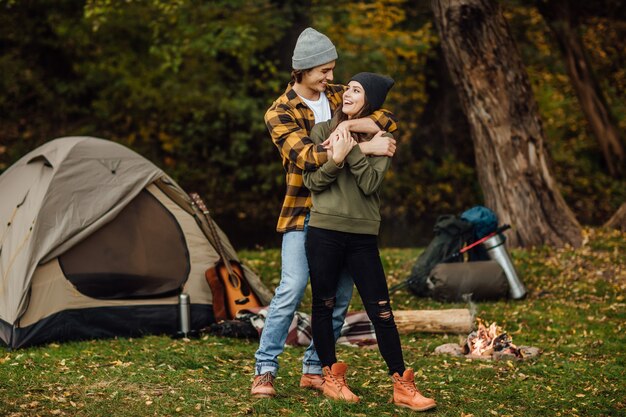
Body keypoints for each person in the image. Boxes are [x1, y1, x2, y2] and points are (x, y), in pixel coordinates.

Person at [251, 28, 398, 398]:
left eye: (333, 70)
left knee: (338, 299)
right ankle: (265, 369)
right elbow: (307, 158)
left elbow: (388, 120)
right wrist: (361, 149)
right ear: (303, 69)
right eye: (324, 71)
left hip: (342, 213)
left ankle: (316, 368)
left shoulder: (336, 98)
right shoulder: (279, 111)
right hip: (303, 211)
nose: (332, 78)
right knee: (292, 288)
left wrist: (347, 126)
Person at [303, 72, 437, 411]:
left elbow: (370, 185)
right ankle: (331, 377)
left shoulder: (383, 138)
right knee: (324, 304)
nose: (347, 93)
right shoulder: (321, 132)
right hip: (325, 230)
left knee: (382, 310)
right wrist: (337, 156)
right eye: (347, 87)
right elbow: (313, 182)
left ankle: (402, 385)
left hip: (363, 235)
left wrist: (352, 148)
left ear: (370, 101)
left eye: (357, 90)